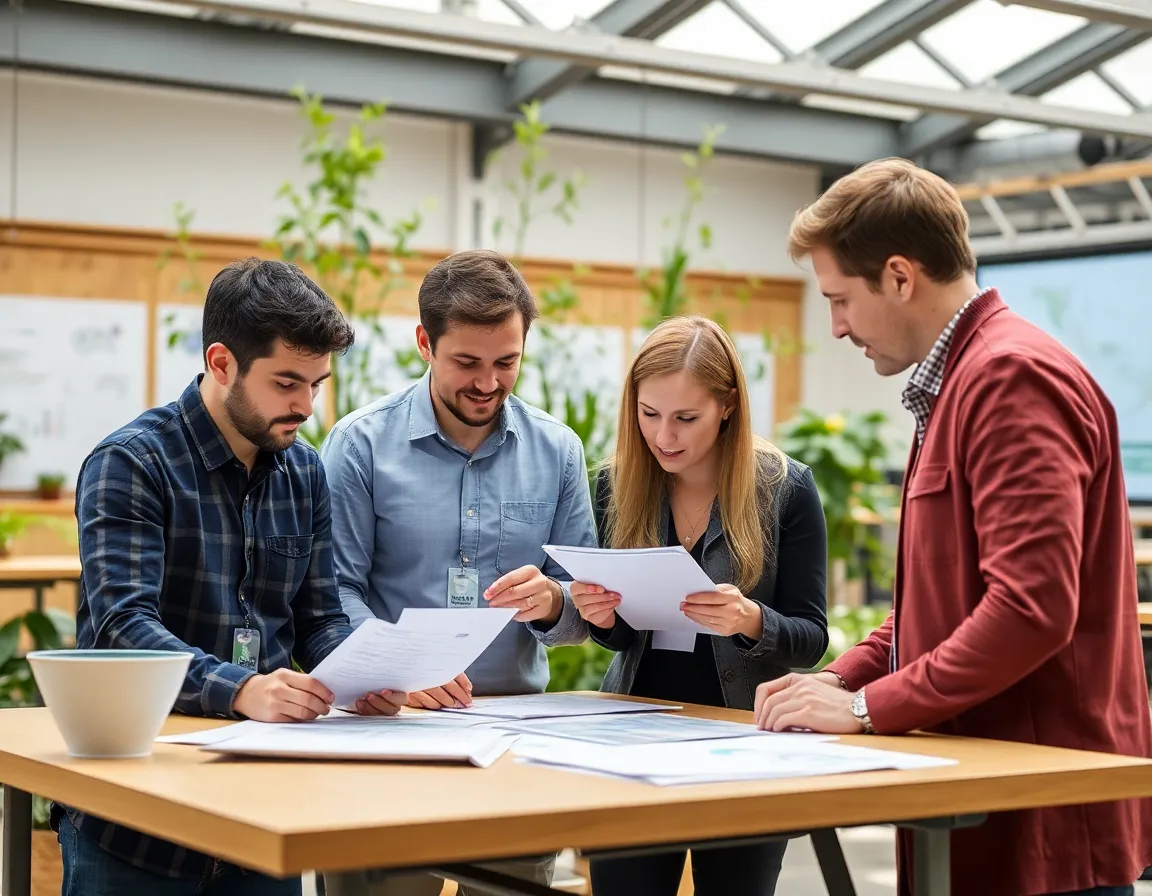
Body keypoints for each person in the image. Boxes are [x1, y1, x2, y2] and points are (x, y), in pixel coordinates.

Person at [755, 157, 1152, 896]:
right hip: (981, 806)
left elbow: (1030, 611)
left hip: (1040, 830)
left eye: (840, 300)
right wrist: (834, 681)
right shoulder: (958, 383)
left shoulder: (1009, 379)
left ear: (900, 276)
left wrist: (868, 709)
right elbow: (933, 612)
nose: (837, 328)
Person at [54, 258, 408, 896]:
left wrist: (367, 673)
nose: (305, 405)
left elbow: (320, 617)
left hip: (264, 818)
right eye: (286, 382)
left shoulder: (303, 472)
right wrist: (242, 689)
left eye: (317, 384)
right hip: (141, 820)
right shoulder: (131, 464)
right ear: (221, 364)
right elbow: (121, 628)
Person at [318, 248, 598, 895]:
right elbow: (332, 593)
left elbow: (589, 607)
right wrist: (400, 672)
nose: (488, 383)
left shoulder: (558, 451)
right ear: (424, 342)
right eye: (466, 363)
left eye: (507, 363)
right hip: (385, 733)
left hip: (514, 741)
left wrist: (556, 601)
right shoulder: (359, 446)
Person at [568, 315, 829, 896]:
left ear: (728, 405)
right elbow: (619, 639)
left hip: (744, 741)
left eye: (686, 418)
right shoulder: (616, 483)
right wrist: (602, 616)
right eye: (649, 414)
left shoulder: (784, 488)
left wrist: (751, 620)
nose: (664, 437)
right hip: (633, 736)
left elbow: (812, 637)